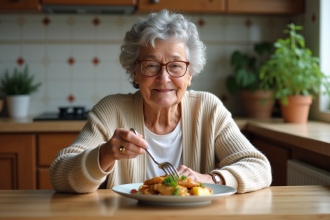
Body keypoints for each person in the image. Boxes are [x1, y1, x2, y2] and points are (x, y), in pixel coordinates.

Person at [50, 10, 272, 194]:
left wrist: (209, 178)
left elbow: (260, 168)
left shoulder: (209, 109)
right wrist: (105, 154)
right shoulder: (111, 110)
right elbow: (59, 175)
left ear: (189, 75)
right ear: (135, 73)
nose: (164, 78)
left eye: (176, 66)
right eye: (151, 65)